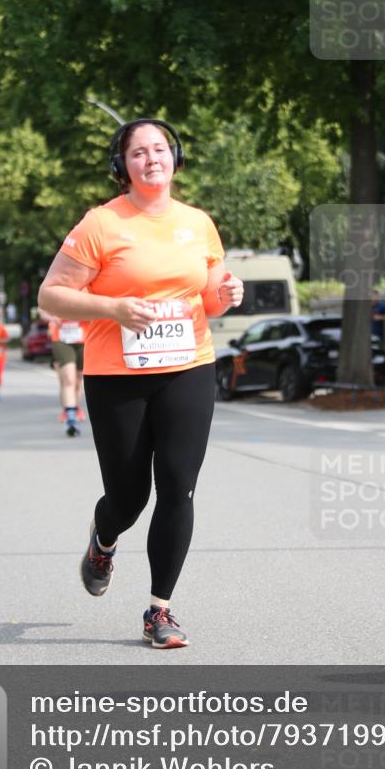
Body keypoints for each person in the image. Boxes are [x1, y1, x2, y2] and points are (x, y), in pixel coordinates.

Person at [38, 118, 244, 648]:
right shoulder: (100, 224)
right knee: (129, 496)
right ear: (122, 167)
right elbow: (52, 296)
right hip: (116, 375)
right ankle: (103, 541)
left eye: (159, 150)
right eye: (138, 153)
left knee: (179, 485)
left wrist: (228, 293)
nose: (151, 159)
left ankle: (160, 610)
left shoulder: (198, 223)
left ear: (174, 158)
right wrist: (114, 308)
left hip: (189, 366)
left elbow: (210, 298)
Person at [45, 313, 87, 437]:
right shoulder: (58, 292)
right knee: (69, 379)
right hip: (62, 337)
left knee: (78, 381)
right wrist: (50, 317)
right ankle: (71, 420)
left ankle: (74, 408)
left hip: (83, 336)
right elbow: (42, 308)